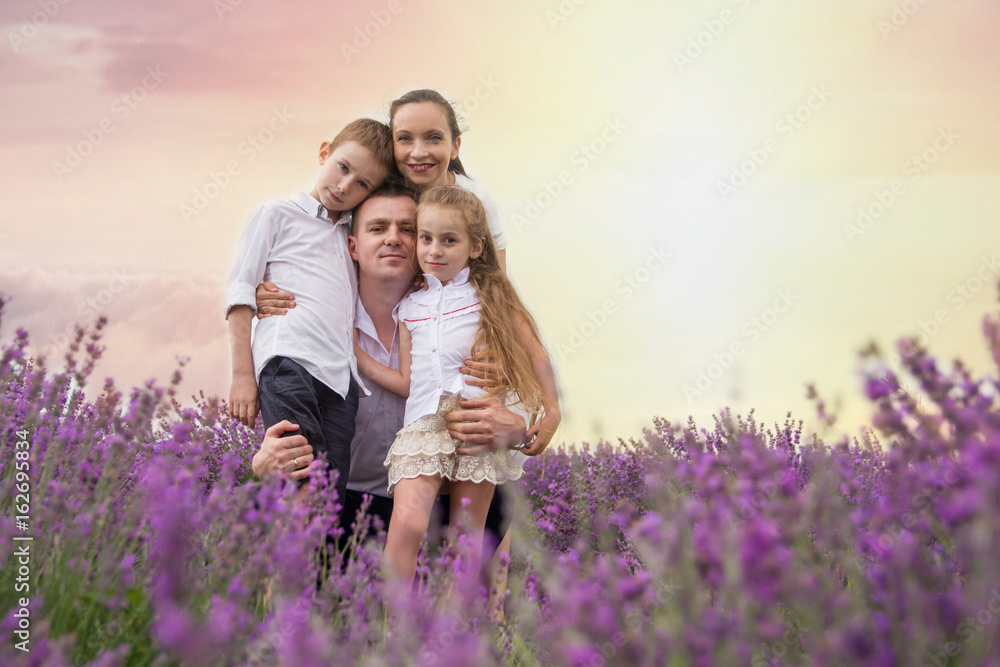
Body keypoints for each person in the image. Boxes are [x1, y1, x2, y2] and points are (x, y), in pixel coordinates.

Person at [355, 185, 560, 589]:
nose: (434, 250)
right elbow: (409, 381)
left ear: (475, 246)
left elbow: (536, 355)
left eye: (449, 240)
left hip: (476, 425)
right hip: (423, 426)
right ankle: (394, 627)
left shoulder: (490, 296)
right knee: (408, 523)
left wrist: (552, 410)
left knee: (466, 540)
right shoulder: (409, 306)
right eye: (426, 238)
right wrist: (357, 356)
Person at [226, 118, 394, 505]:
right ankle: (280, 562)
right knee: (300, 478)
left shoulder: (356, 234)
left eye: (362, 184)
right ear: (324, 152)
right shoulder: (276, 215)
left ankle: (310, 564)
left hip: (340, 381)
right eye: (343, 167)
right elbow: (239, 293)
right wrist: (242, 376)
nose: (344, 186)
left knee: (327, 495)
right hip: (290, 362)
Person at [389, 89, 508, 271]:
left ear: (455, 146)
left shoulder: (478, 201)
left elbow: (497, 280)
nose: (418, 153)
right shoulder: (379, 199)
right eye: (404, 138)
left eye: (434, 138)